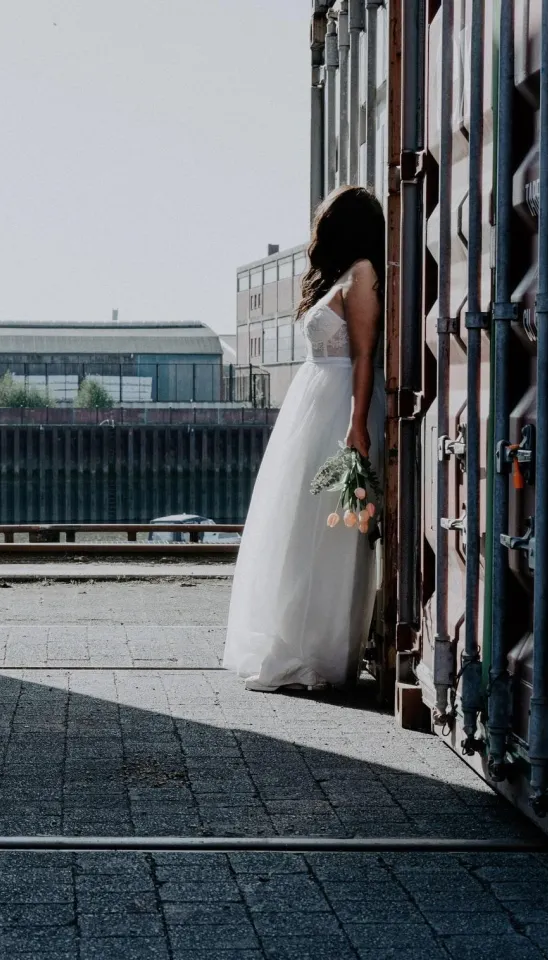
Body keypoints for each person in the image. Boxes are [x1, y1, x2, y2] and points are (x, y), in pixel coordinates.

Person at [222, 185, 386, 692]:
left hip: (338, 406)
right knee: (299, 527)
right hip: (315, 405)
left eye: (324, 220)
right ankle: (293, 641)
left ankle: (319, 652)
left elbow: (363, 355)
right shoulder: (339, 276)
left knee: (328, 533)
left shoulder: (362, 275)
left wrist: (356, 426)